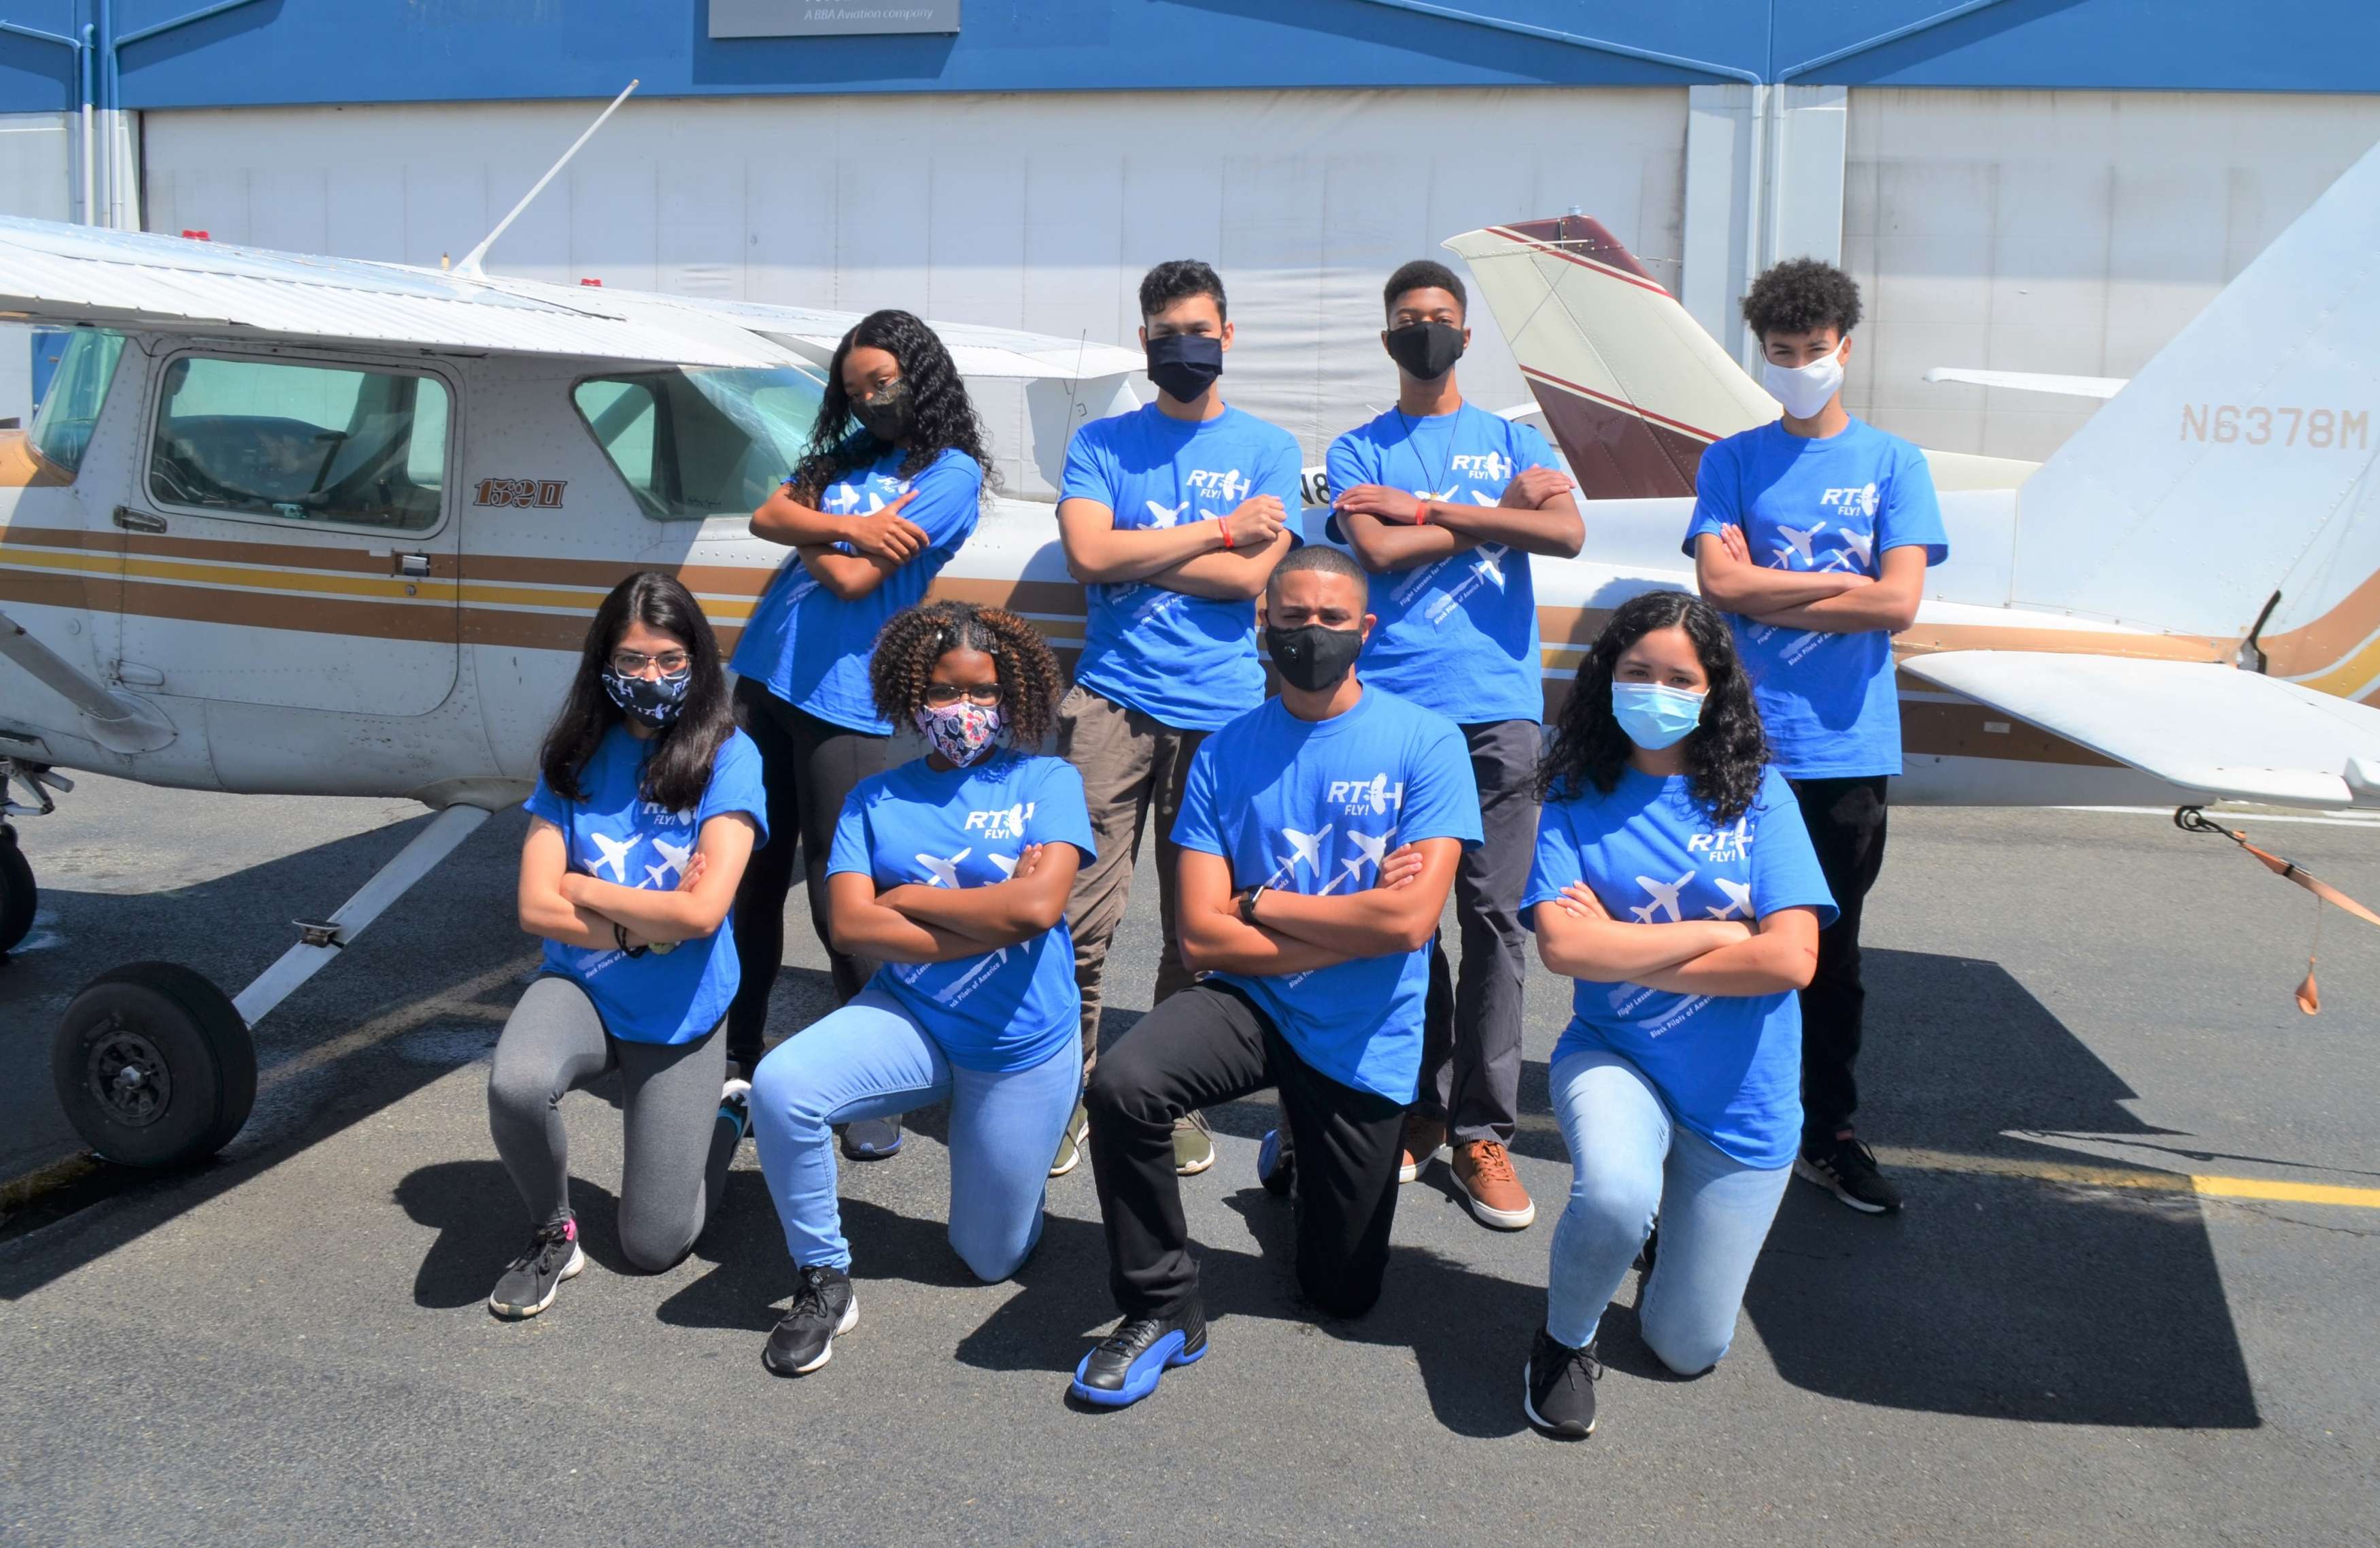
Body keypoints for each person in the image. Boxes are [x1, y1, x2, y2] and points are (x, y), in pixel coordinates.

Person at [1070, 545, 1479, 1409]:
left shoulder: (1426, 742)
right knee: (1124, 1082)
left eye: (1331, 619)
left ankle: (1293, 1147)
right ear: (1263, 625)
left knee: (1342, 1296)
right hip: (1253, 1001)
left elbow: (1410, 923)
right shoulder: (1223, 753)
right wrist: (1345, 927)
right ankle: (1162, 1305)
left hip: (1364, 1028)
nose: (1310, 634)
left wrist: (1260, 901)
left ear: (1365, 629)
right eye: (1291, 618)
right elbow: (1201, 936)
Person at [1517, 590, 1835, 1438]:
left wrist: (1620, 938)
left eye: (1677, 677)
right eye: (1636, 671)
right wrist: (1710, 930)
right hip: (1616, 1055)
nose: (1654, 690)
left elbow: (1791, 959)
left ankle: (1664, 1255)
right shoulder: (1575, 794)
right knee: (1615, 1195)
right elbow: (1561, 949)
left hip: (1743, 1101)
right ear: (1606, 678)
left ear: (1711, 690)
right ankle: (1562, 1340)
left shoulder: (1761, 797)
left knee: (1686, 1346)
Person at [749, 601, 1092, 1375]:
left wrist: (906, 898)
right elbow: (848, 926)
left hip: (1020, 1046)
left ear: (1012, 695)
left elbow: (1038, 909)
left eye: (982, 691)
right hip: (912, 1019)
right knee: (781, 1085)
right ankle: (824, 1277)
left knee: (986, 1257)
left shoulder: (1046, 780)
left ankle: (1016, 1180)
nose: (964, 710)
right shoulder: (875, 798)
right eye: (944, 691)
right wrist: (990, 916)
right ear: (912, 696)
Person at [1327, 258, 1584, 1232]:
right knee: (1404, 917)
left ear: (1465, 336)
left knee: (1498, 923)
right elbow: (1376, 553)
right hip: (1392, 715)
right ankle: (1420, 1106)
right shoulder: (1356, 450)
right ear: (1387, 336)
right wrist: (1499, 522)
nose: (1422, 331)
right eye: (1406, 319)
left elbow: (1563, 533)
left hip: (1497, 712)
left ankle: (1484, 1130)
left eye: (1438, 318)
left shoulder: (1511, 437)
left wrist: (1431, 508)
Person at [1685, 258, 1946, 1215]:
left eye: (1816, 350)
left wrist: (1774, 586)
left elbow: (1902, 600)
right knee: (1723, 935)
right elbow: (1720, 588)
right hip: (1744, 746)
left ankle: (1826, 1129)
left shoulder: (1894, 464)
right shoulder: (1734, 460)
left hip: (1846, 752)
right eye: (1782, 353)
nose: (1800, 366)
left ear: (1848, 347)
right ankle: (1717, 1120)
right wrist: (1844, 590)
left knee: (1831, 953)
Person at [1051, 258, 1302, 1180]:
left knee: (1199, 930)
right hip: (1112, 703)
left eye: (1200, 332)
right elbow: (1086, 552)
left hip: (1224, 717)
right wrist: (1213, 529)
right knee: (1077, 917)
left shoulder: (1271, 448)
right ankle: (1070, 1090)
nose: (1183, 348)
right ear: (1144, 340)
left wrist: (1137, 553)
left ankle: (1169, 1096)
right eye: (1165, 334)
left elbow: (1249, 581)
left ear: (1228, 337)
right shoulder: (1104, 441)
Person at [728, 309, 994, 1162]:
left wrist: (817, 524)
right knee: (746, 876)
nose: (870, 399)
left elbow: (847, 580)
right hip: (764, 679)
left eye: (882, 381)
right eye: (853, 390)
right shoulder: (849, 462)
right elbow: (765, 516)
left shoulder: (952, 475)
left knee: (836, 894)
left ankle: (866, 1083)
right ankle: (738, 1058)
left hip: (842, 698)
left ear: (923, 373)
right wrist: (840, 521)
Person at [485, 571, 766, 1319]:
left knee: (654, 1245)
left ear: (698, 660)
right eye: (634, 660)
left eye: (671, 660)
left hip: (680, 1009)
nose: (652, 677)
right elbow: (533, 905)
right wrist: (648, 921)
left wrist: (585, 887)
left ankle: (724, 1116)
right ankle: (553, 1233)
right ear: (604, 663)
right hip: (580, 985)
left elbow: (704, 913)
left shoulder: (730, 757)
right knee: (516, 1083)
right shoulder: (575, 751)